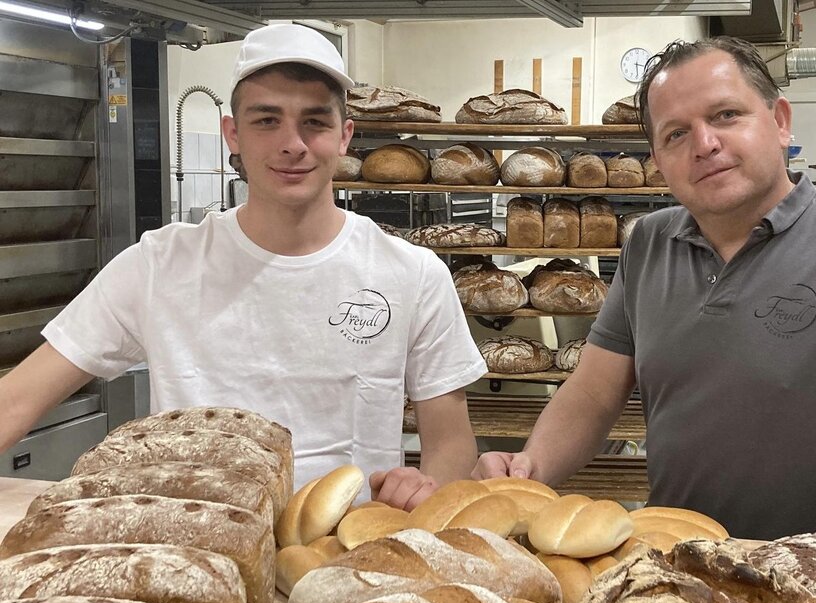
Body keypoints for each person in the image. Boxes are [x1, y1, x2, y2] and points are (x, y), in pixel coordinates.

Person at [473, 36, 816, 540]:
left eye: (726, 115)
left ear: (780, 122)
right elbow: (595, 393)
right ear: (658, 161)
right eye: (676, 134)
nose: (704, 144)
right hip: (679, 565)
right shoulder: (649, 243)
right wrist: (526, 470)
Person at [0, 23, 487, 510]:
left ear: (345, 137)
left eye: (315, 122)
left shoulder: (413, 274)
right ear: (232, 134)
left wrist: (424, 491)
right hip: (196, 548)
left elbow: (450, 445)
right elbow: (16, 399)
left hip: (344, 555)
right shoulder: (160, 265)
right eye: (266, 121)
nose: (292, 144)